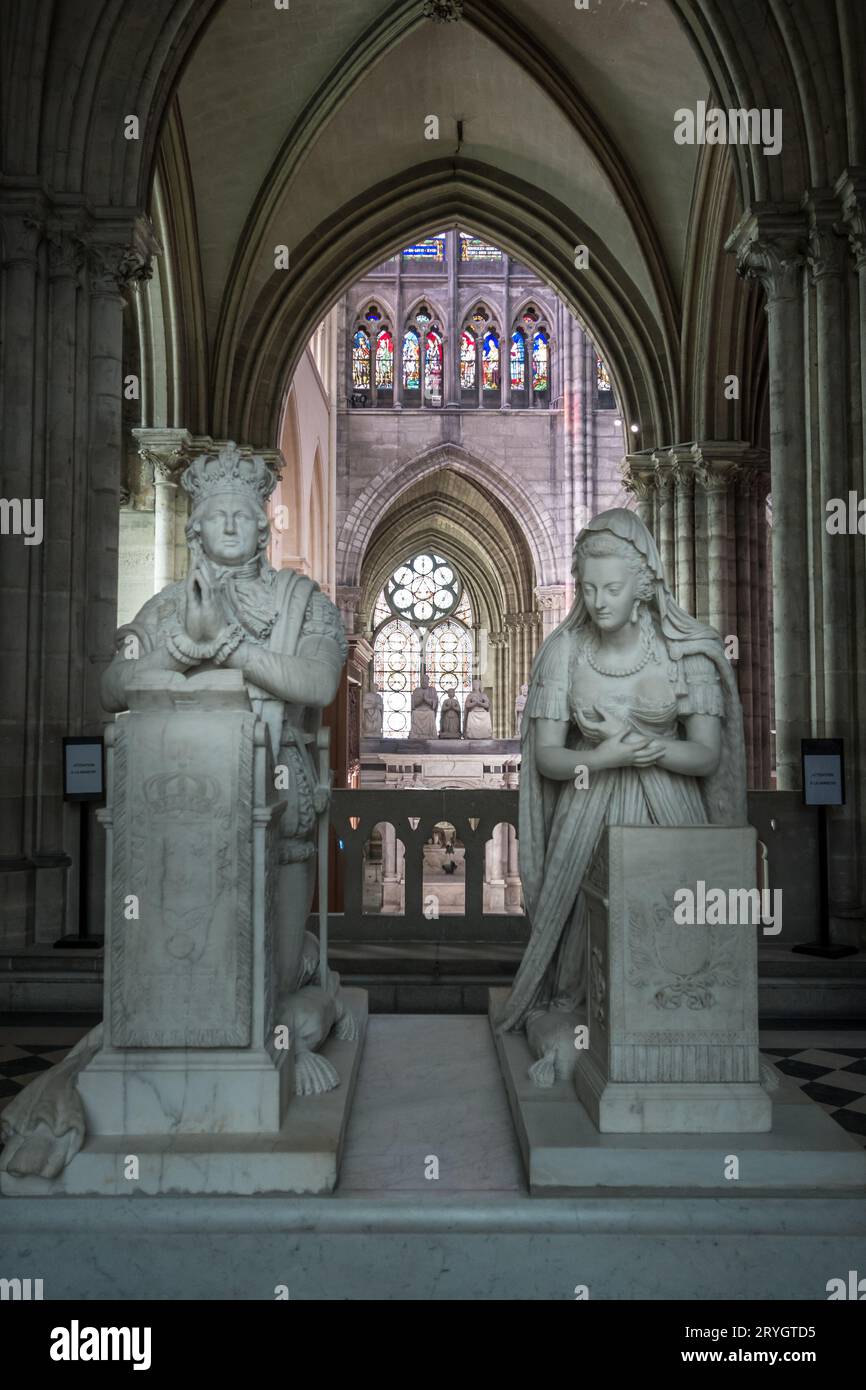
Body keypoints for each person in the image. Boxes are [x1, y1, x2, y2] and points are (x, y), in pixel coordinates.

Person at [497, 507, 747, 1034]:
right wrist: (606, 756)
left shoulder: (687, 653)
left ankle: (681, 1023)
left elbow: (707, 756)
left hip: (672, 810)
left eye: (611, 589)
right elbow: (547, 757)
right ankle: (584, 1019)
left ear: (642, 586)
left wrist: (644, 750)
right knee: (584, 928)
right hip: (588, 807)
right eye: (588, 589)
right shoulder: (564, 652)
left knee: (675, 918)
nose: (597, 602)